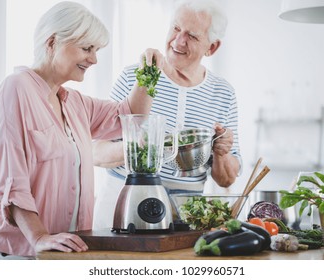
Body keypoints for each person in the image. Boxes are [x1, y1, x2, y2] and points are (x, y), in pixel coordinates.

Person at [0, 1, 153, 260]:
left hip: (59, 253)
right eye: (86, 48)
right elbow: (11, 181)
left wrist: (149, 72)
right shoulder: (15, 89)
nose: (94, 59)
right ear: (52, 42)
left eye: (96, 50)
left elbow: (130, 115)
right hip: (15, 254)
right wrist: (39, 237)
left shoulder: (75, 103)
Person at [92, 0, 242, 230]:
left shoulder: (223, 93)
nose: (178, 41)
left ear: (211, 47)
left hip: (187, 216)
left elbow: (227, 179)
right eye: (175, 28)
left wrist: (221, 153)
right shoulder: (137, 76)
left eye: (192, 36)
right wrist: (138, 148)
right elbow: (96, 151)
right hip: (123, 207)